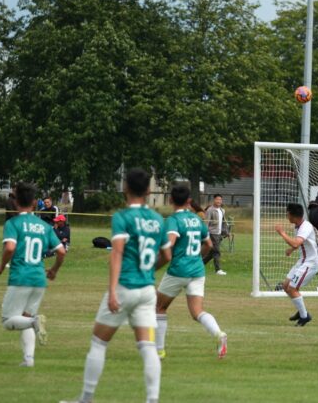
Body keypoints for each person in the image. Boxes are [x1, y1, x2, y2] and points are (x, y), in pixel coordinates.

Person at [61, 168, 171, 403]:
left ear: (126, 187)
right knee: (147, 346)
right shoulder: (157, 219)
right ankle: (152, 399)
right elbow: (167, 256)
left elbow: (117, 253)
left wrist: (112, 291)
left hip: (125, 287)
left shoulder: (122, 217)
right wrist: (148, 271)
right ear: (148, 190)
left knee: (99, 342)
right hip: (147, 290)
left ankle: (86, 398)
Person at [0, 182, 65, 367]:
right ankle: (28, 360)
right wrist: (54, 270)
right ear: (34, 203)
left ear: (16, 201)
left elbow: (10, 247)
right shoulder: (44, 226)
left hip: (21, 277)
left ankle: (34, 322)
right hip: (39, 279)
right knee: (25, 317)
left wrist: (1, 265)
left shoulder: (13, 223)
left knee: (8, 320)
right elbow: (61, 251)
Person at [156, 184, 227, 360]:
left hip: (178, 270)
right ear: (189, 201)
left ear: (170, 200)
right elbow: (208, 245)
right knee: (197, 312)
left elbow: (170, 243)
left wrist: (153, 264)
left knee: (159, 307)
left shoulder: (173, 220)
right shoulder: (197, 220)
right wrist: (196, 258)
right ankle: (218, 334)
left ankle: (159, 350)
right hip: (197, 271)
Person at [275, 203, 318, 327]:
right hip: (303, 261)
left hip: (310, 263)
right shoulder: (298, 226)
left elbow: (295, 243)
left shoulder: (305, 226)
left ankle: (304, 317)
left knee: (292, 288)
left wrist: (282, 233)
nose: (286, 216)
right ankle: (301, 311)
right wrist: (291, 250)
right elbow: (299, 243)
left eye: (287, 213)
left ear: (293, 215)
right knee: (286, 286)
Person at [203, 194, 227, 275]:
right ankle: (218, 270)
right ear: (214, 200)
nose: (219, 201)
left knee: (211, 253)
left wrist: (226, 232)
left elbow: (223, 222)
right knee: (217, 252)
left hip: (219, 234)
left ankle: (199, 265)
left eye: (220, 199)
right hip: (212, 233)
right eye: (217, 199)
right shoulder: (210, 210)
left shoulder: (222, 210)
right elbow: (206, 223)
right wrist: (206, 233)